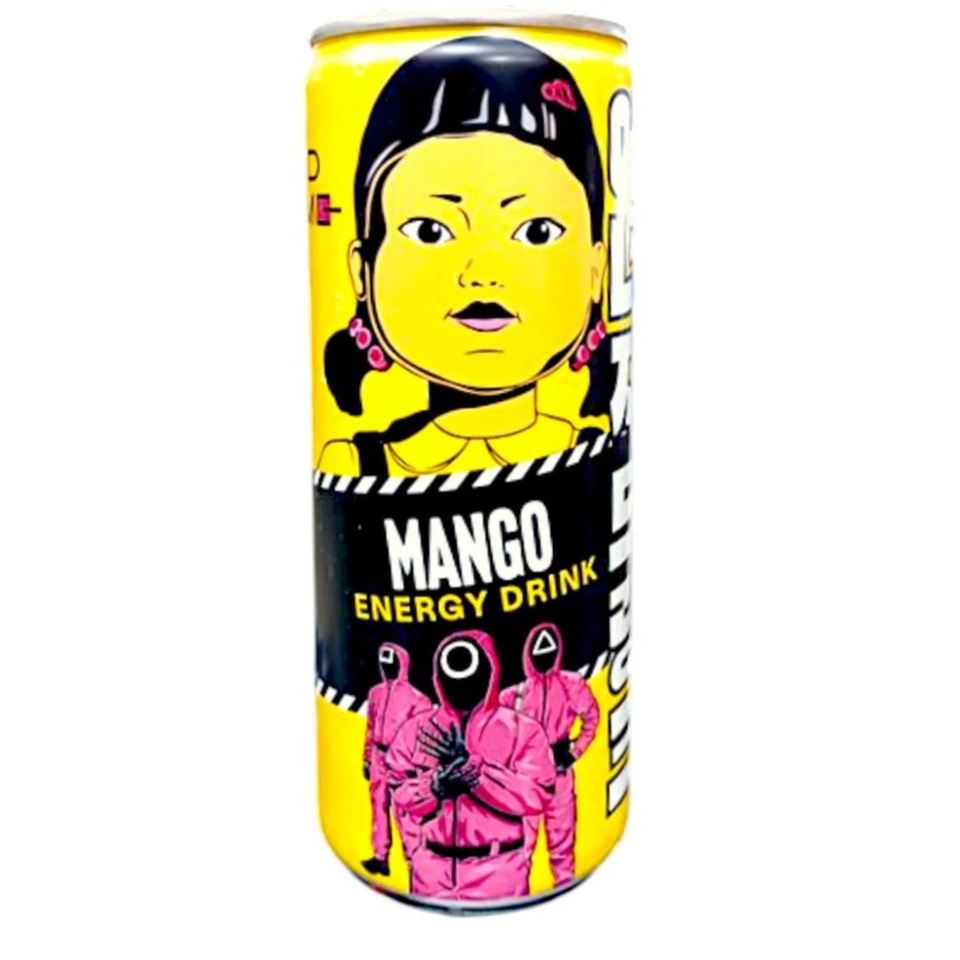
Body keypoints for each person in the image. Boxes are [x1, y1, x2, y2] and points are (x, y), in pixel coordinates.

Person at [318, 35, 613, 477]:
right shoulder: (353, 465)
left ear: (595, 270)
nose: (482, 273)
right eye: (431, 231)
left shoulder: (597, 451)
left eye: (536, 232)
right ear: (362, 270)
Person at [386, 630, 555, 901]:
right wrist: (435, 787)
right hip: (431, 870)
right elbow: (397, 789)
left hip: (499, 870)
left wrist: (476, 773)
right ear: (438, 676)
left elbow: (537, 795)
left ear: (489, 671)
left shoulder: (522, 730)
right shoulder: (416, 730)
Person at [500, 623, 599, 887]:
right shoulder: (514, 694)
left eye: (548, 650)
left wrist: (575, 752)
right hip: (525, 781)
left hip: (559, 775)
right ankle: (517, 890)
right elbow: (493, 730)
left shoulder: (570, 685)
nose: (543, 656)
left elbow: (592, 717)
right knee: (521, 848)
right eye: (538, 651)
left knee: (563, 844)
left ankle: (565, 886)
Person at [361, 643, 431, 877]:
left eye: (391, 662)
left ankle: (415, 864)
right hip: (379, 757)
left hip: (402, 762)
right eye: (384, 662)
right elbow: (370, 726)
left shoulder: (418, 700)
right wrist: (367, 757)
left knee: (406, 814)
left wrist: (419, 769)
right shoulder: (376, 693)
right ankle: (381, 857)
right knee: (378, 807)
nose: (387, 666)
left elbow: (422, 737)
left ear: (402, 663)